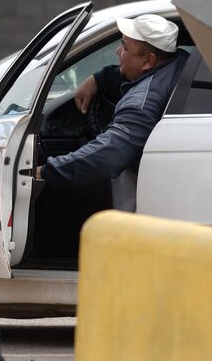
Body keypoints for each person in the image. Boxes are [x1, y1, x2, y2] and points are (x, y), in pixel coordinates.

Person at [36, 14, 189, 212]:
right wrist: (100, 79)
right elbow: (135, 75)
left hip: (139, 215)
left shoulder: (141, 102)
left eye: (125, 48)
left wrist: (46, 171)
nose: (118, 51)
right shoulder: (180, 61)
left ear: (148, 60)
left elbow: (108, 153)